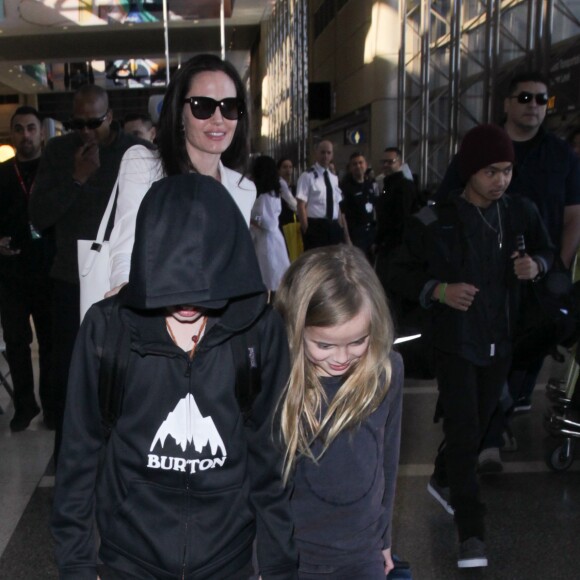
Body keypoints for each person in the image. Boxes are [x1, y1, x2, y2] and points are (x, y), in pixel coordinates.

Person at [51, 173, 298, 580]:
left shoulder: (258, 331)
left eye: (203, 290)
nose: (187, 302)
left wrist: (277, 569)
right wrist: (77, 566)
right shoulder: (106, 330)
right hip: (128, 561)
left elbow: (271, 461)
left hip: (229, 561)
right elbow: (77, 458)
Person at [388, 124, 553, 568]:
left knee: (479, 424)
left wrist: (534, 265)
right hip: (455, 343)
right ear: (469, 171)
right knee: (465, 433)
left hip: (501, 340)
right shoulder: (436, 219)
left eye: (506, 171)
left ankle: (442, 477)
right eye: (490, 172)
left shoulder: (519, 213)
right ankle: (471, 532)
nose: (500, 180)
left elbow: (547, 252)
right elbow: (398, 272)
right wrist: (439, 291)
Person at [434, 72, 580, 427]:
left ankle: (498, 417)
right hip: (482, 280)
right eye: (525, 98)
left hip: (536, 276)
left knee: (529, 348)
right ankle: (488, 431)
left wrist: (551, 265)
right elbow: (446, 209)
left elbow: (573, 216)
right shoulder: (480, 147)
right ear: (507, 103)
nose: (534, 106)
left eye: (542, 99)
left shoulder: (561, 155)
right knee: (483, 358)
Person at [29, 84, 145, 459]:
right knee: (70, 374)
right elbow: (38, 216)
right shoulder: (60, 152)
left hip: (123, 278)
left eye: (93, 122)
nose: (85, 131)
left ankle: (124, 456)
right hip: (69, 279)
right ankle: (70, 459)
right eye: (76, 123)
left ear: (109, 116)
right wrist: (76, 179)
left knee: (124, 371)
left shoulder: (134, 152)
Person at [274, 244, 404, 579]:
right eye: (325, 345)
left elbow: (387, 458)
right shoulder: (279, 380)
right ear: (296, 329)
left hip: (363, 555)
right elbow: (260, 482)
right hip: (297, 556)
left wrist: (384, 539)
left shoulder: (386, 371)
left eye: (358, 341)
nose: (341, 358)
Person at [107, 54, 256, 295]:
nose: (218, 119)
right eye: (203, 106)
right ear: (180, 113)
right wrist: (127, 302)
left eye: (229, 106)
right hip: (154, 315)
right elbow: (125, 251)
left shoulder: (243, 189)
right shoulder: (143, 164)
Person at [0, 106, 54, 431]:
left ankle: (52, 406)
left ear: (42, 133)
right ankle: (24, 405)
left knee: (50, 343)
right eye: (19, 129)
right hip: (10, 272)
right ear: (12, 134)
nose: (26, 135)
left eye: (31, 128)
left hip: (49, 270)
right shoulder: (3, 173)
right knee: (16, 341)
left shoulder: (54, 170)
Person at [296, 141, 348, 250]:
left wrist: (339, 225)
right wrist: (306, 229)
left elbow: (336, 204)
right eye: (322, 152)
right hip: (316, 226)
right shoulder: (307, 176)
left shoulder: (334, 178)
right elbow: (301, 205)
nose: (326, 156)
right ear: (316, 154)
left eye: (329, 153)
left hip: (333, 226)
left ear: (332, 155)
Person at [250, 155, 291, 291]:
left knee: (270, 280)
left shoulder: (265, 197)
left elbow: (269, 223)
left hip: (268, 243)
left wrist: (252, 219)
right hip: (269, 241)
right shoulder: (273, 193)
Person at [339, 151, 378, 260]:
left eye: (360, 163)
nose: (358, 166)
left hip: (370, 233)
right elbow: (342, 215)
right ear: (350, 167)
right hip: (355, 235)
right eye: (354, 164)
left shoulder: (370, 185)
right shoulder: (346, 188)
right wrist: (347, 239)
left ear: (366, 165)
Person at [277, 157, 298, 228]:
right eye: (285, 167)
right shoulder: (277, 187)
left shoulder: (295, 188)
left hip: (293, 225)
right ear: (279, 170)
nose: (288, 170)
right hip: (281, 224)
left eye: (290, 167)